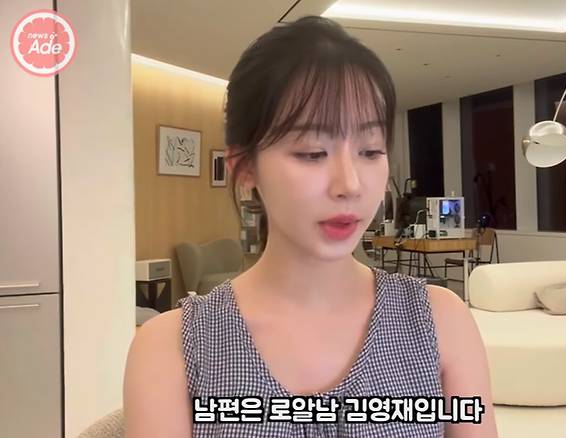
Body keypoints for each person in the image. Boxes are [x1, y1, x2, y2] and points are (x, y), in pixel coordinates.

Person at [124, 16, 498, 438]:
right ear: (244, 167)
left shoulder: (440, 320)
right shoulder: (170, 348)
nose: (350, 185)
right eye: (312, 152)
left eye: (370, 151)